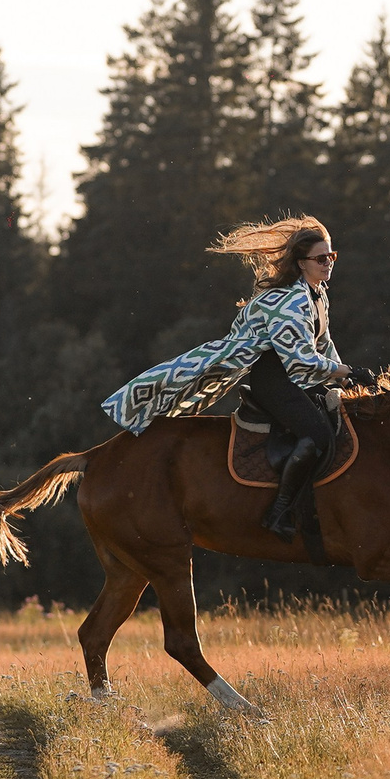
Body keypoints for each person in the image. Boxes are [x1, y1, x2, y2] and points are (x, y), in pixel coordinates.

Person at [101, 216, 356, 539]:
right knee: (318, 435)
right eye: (321, 258)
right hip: (275, 380)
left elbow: (324, 344)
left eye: (331, 257)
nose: (328, 264)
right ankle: (279, 511)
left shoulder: (318, 293)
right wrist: (344, 371)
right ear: (302, 263)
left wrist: (346, 376)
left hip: (293, 377)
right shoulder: (292, 301)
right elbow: (300, 359)